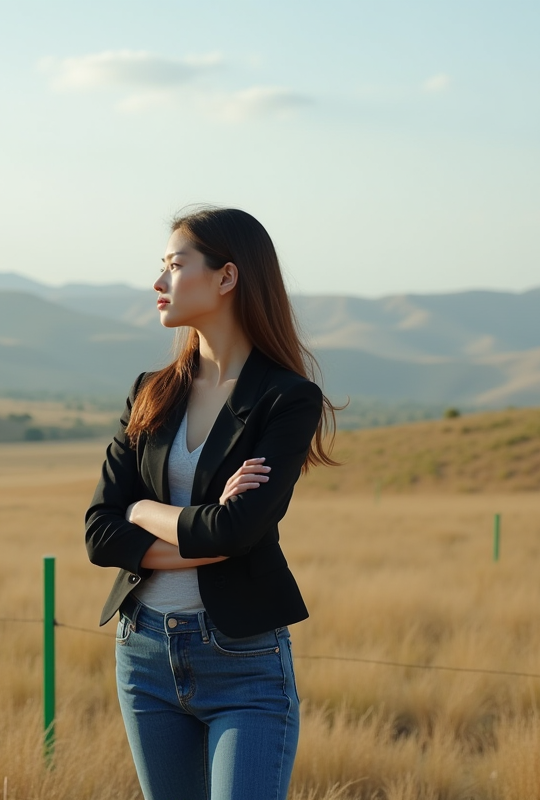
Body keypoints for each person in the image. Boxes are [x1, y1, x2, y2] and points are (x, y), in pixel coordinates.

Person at [84, 206, 339, 800]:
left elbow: (236, 532)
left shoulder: (287, 398)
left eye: (175, 266)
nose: (158, 283)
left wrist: (142, 511)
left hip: (243, 662)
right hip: (142, 652)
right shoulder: (150, 392)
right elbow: (99, 532)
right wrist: (201, 537)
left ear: (226, 277)